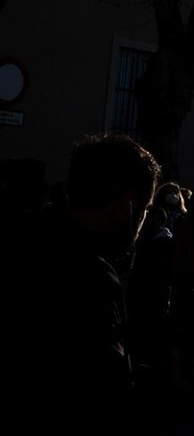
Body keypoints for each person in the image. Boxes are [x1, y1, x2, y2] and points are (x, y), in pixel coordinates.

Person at [7, 133, 160, 430]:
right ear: (128, 203)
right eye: (144, 211)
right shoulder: (93, 278)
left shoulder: (28, 238)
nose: (140, 225)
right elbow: (102, 388)